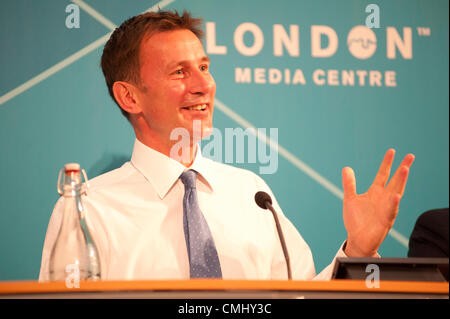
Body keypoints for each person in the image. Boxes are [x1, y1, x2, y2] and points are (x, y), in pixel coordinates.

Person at [39, 10, 415, 281]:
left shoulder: (252, 193)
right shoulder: (88, 208)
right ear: (130, 97)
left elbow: (304, 298)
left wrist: (357, 251)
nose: (203, 85)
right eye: (179, 72)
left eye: (203, 67)